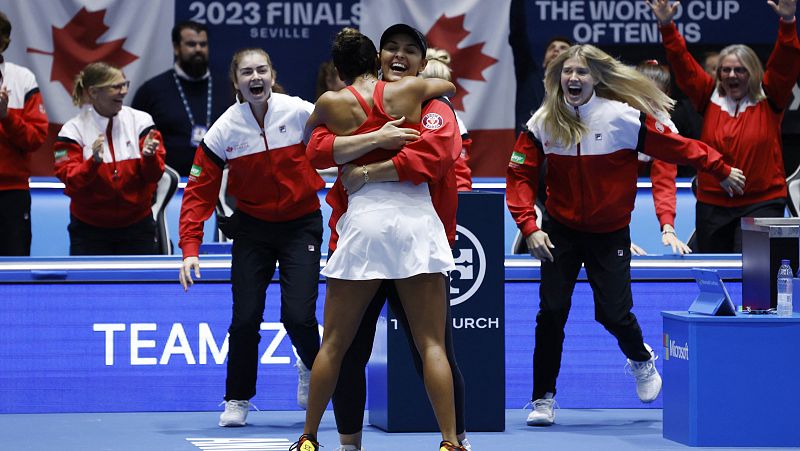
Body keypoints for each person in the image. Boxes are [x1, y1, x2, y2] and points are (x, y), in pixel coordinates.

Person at [506, 44, 746, 427]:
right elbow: (518, 175)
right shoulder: (543, 121)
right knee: (551, 313)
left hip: (609, 233)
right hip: (559, 232)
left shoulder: (623, 118)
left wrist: (718, 167)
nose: (573, 78)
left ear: (597, 78)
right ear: (557, 77)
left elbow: (678, 148)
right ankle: (542, 398)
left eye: (582, 72)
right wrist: (529, 226)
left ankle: (640, 358)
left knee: (614, 314)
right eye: (567, 71)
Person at [292, 28, 464, 451]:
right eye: (392, 50)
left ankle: (309, 438)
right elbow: (448, 83)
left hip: (364, 220)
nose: (399, 56)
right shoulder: (414, 94)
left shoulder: (331, 104)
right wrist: (412, 99)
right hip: (414, 223)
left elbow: (309, 142)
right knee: (432, 345)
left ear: (338, 69)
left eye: (409, 51)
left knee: (332, 343)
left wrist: (358, 155)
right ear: (377, 59)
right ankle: (449, 443)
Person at [178, 48, 324, 427]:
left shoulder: (300, 112)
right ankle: (236, 399)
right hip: (253, 230)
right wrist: (190, 249)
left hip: (300, 225)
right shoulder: (224, 129)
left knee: (298, 317)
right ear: (236, 82)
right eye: (247, 72)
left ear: (273, 74)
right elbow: (198, 192)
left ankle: (312, 368)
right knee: (244, 320)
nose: (255, 77)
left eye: (262, 70)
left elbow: (340, 141)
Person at [647, 0, 800, 252]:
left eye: (739, 70)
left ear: (752, 72)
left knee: (757, 275)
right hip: (712, 205)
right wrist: (666, 26)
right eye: (725, 70)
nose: (731, 76)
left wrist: (788, 22)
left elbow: (786, 61)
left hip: (761, 202)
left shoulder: (770, 96)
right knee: (713, 273)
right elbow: (682, 64)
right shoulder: (708, 96)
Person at [53, 62, 165, 255]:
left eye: (125, 84)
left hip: (137, 228)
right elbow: (69, 179)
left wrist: (149, 157)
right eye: (116, 86)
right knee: (89, 286)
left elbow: (154, 176)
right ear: (94, 92)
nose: (123, 91)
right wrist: (93, 163)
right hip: (89, 232)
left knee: (141, 286)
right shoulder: (72, 131)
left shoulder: (142, 122)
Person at [132, 21, 231, 177]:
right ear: (176, 48)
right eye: (191, 44)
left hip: (217, 185)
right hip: (167, 186)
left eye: (203, 44)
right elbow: (135, 141)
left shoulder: (229, 89)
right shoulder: (151, 91)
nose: (198, 49)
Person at [0, 11, 48, 256]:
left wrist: (6, 117)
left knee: (12, 271)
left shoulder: (22, 79)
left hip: (11, 194)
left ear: (4, 41)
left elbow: (35, 138)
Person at [636, 60, 692, 255]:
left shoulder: (665, 129)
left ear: (665, 96)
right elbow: (607, 183)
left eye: (653, 96)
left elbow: (664, 182)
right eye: (641, 93)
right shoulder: (613, 118)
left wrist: (668, 226)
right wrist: (611, 235)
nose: (646, 102)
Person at [420, 47, 472, 191]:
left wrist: (463, 201)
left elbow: (460, 174)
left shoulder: (457, 125)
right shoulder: (403, 111)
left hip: (439, 199)